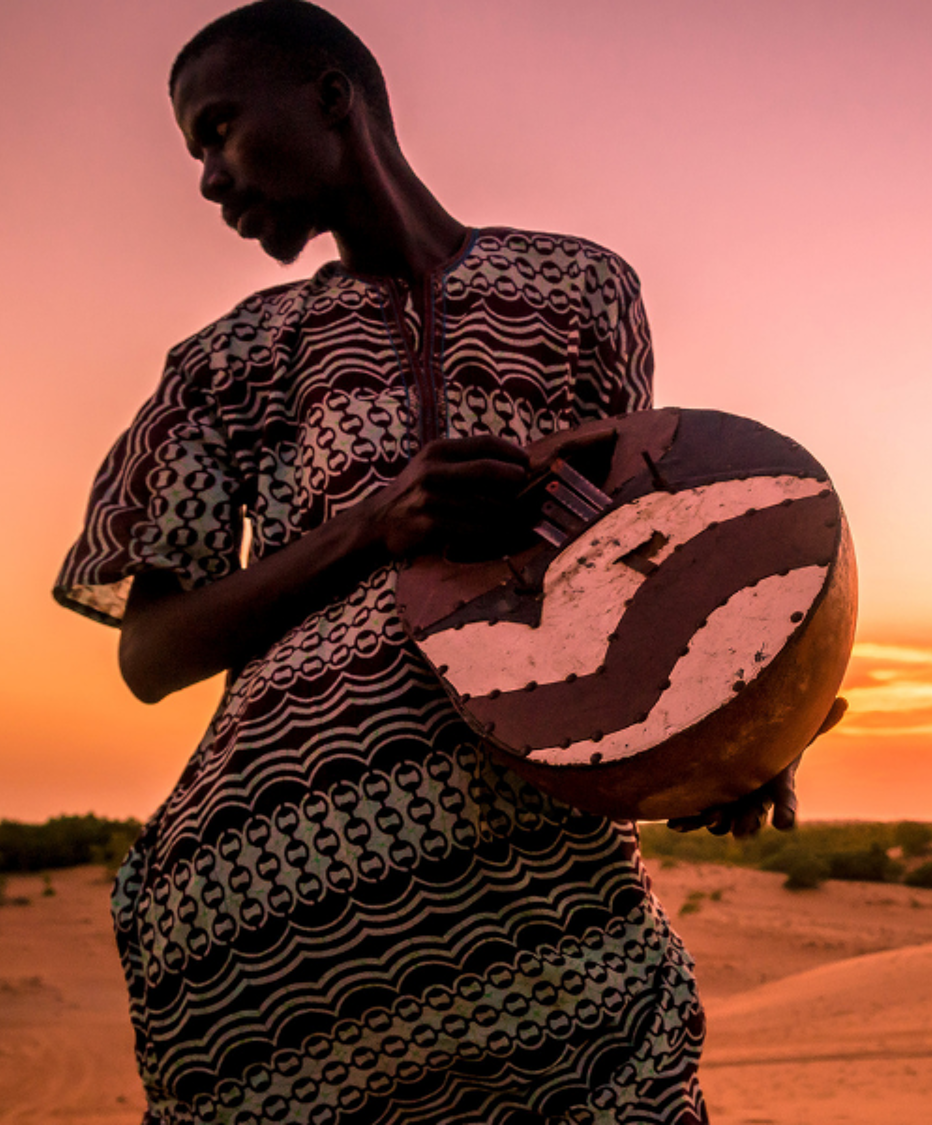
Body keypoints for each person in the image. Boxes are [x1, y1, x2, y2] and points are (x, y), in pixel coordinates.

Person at [53, 2, 828, 1120]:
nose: (210, 179)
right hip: (262, 923)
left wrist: (749, 729)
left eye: (218, 129)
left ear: (332, 94)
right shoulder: (226, 361)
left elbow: (632, 559)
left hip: (538, 885)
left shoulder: (581, 294)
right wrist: (365, 528)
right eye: (194, 154)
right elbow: (151, 653)